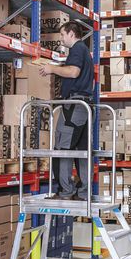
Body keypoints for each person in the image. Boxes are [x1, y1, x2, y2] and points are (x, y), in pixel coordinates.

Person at [39, 21, 94, 201]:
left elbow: (73, 72)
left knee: (62, 148)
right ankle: (84, 192)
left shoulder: (77, 49)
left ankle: (65, 191)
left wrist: (51, 69)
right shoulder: (84, 51)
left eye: (63, 35)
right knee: (81, 151)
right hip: (84, 107)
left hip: (75, 106)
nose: (61, 39)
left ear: (71, 33)